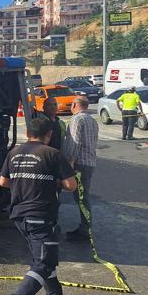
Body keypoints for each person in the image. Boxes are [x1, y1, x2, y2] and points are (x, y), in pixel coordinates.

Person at [0, 118, 78, 295]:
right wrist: (59, 176)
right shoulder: (52, 154)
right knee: (44, 261)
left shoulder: (14, 152)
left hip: (20, 216)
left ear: (28, 133)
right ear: (49, 134)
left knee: (42, 257)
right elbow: (71, 185)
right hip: (41, 216)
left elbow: (4, 182)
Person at [62, 96, 99, 242]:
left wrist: (68, 162)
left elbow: (74, 142)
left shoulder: (77, 119)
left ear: (74, 105)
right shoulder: (92, 120)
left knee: (81, 197)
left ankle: (85, 229)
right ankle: (85, 226)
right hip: (89, 162)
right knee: (83, 196)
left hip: (79, 164)